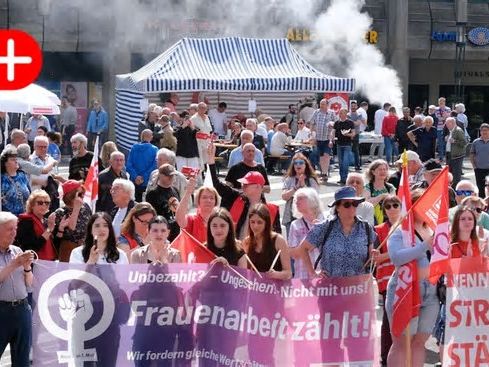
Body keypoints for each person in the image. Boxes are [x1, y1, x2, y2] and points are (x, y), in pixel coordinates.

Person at [385, 189, 437, 367]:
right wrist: (424, 245)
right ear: (412, 207)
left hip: (431, 293)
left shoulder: (432, 228)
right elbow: (397, 257)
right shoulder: (400, 231)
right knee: (401, 344)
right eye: (421, 204)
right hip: (405, 289)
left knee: (419, 342)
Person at [433, 206, 482, 364]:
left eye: (470, 219)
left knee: (471, 335)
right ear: (457, 222)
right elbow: (443, 271)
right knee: (447, 333)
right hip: (453, 298)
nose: (467, 222)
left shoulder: (478, 244)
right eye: (463, 219)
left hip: (474, 299)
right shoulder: (449, 245)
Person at [295, 186, 376, 277]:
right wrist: (313, 273)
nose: (352, 207)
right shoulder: (325, 226)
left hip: (358, 287)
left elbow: (371, 259)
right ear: (337, 207)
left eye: (355, 203)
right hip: (331, 287)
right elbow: (303, 249)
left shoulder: (366, 227)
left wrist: (374, 256)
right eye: (347, 204)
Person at [207, 142, 281, 239]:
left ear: (258, 187)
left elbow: (277, 237)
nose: (243, 185)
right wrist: (211, 161)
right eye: (243, 183)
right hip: (239, 250)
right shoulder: (236, 197)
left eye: (247, 184)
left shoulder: (271, 209)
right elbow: (217, 184)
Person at [370, 195, 401, 367]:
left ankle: (402, 354)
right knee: (389, 320)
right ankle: (385, 356)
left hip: (406, 277)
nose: (391, 208)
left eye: (395, 205)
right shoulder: (378, 230)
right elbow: (375, 258)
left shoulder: (408, 227)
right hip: (387, 279)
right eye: (387, 206)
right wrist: (396, 253)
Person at [0, 211, 34, 367]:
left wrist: (27, 267)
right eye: (9, 229)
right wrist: (14, 264)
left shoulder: (17, 250)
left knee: (22, 360)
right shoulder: (16, 256)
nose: (14, 232)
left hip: (22, 309)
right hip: (2, 310)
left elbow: (29, 284)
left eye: (15, 228)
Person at [243, 203, 292, 279]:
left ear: (266, 223)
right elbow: (246, 270)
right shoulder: (247, 241)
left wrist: (276, 274)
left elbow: (288, 273)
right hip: (257, 286)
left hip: (276, 287)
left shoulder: (278, 240)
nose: (255, 226)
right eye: (252, 222)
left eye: (259, 222)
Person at [52, 180, 92, 261]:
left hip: (86, 248)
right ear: (70, 196)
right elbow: (72, 229)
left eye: (83, 193)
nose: (82, 196)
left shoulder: (86, 207)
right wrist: (76, 208)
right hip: (69, 250)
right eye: (79, 194)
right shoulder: (60, 212)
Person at [288, 188, 323, 278]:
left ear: (312, 200)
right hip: (302, 275)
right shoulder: (295, 225)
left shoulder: (325, 222)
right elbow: (292, 253)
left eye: (300, 198)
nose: (296, 201)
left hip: (323, 273)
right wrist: (308, 242)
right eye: (295, 199)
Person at [281, 153, 319, 236]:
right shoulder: (289, 179)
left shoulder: (311, 180)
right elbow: (284, 196)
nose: (298, 165)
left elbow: (314, 198)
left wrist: (303, 186)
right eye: (295, 163)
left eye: (301, 162)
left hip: (309, 217)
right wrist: (296, 187)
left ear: (305, 165)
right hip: (291, 217)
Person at [175, 176, 220, 243]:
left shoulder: (220, 220)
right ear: (198, 200)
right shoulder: (192, 219)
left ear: (215, 202)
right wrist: (188, 193)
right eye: (204, 197)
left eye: (211, 198)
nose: (208, 200)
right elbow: (179, 219)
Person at [15, 190, 57, 260]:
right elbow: (31, 248)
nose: (44, 205)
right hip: (35, 263)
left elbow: (54, 245)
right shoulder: (26, 222)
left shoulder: (47, 221)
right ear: (32, 205)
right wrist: (49, 230)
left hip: (50, 261)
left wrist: (61, 228)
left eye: (47, 203)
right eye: (40, 203)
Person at [145, 163, 180, 241]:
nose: (171, 178)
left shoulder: (175, 190)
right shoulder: (152, 194)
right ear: (161, 175)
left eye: (173, 175)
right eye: (169, 176)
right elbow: (152, 216)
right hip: (162, 234)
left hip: (177, 231)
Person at [309, 98, 337, 181]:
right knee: (321, 156)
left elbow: (335, 125)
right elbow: (312, 123)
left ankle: (325, 173)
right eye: (320, 104)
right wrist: (312, 135)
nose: (321, 105)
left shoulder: (331, 113)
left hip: (327, 138)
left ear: (327, 105)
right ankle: (323, 172)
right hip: (318, 138)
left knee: (326, 155)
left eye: (323, 104)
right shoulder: (316, 112)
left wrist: (332, 138)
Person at [126, 129, 158, 202]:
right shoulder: (155, 149)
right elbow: (154, 167)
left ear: (141, 137)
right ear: (151, 137)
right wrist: (143, 177)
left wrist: (136, 177)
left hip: (134, 182)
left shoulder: (134, 148)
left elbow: (129, 165)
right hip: (147, 183)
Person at [363, 159, 396, 225]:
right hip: (370, 220)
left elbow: (394, 204)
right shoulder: (367, 187)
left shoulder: (390, 187)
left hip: (387, 221)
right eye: (380, 169)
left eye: (385, 169)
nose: (383, 172)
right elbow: (366, 205)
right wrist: (381, 196)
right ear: (373, 172)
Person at [1, 148, 30, 216]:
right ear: (5, 163)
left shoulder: (22, 175)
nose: (16, 161)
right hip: (7, 219)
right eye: (13, 159)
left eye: (16, 159)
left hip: (24, 217)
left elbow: (30, 195)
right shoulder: (2, 178)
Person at [330, 108, 355, 185]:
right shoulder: (337, 123)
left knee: (345, 162)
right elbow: (333, 132)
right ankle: (342, 178)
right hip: (339, 144)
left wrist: (347, 134)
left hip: (347, 144)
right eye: (340, 113)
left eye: (342, 113)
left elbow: (353, 134)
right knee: (340, 162)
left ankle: (345, 178)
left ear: (346, 114)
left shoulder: (350, 122)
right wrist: (331, 139)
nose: (340, 114)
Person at [444, 117, 466, 188]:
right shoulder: (451, 130)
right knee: (450, 175)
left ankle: (456, 193)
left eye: (447, 123)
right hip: (450, 155)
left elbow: (464, 142)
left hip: (457, 156)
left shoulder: (458, 130)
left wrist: (454, 141)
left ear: (453, 123)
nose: (446, 125)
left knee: (456, 177)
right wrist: (447, 139)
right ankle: (451, 193)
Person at [191, 102, 213, 170]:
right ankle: (201, 172)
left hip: (207, 141)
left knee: (206, 158)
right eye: (201, 108)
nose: (203, 110)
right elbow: (192, 129)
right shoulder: (193, 118)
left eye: (204, 108)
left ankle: (207, 172)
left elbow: (210, 129)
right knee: (200, 157)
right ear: (198, 108)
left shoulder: (207, 117)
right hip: (198, 141)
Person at [470, 123, 489, 199]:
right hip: (479, 169)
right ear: (480, 132)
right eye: (482, 130)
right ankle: (482, 206)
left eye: (486, 130)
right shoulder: (476, 142)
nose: (484, 132)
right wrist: (474, 167)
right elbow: (472, 154)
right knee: (480, 189)